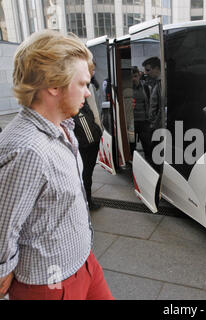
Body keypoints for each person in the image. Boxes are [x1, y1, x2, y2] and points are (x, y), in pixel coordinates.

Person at [0, 30, 114, 300]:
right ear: (53, 84)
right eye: (83, 84)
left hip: (84, 261)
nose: (88, 93)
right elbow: (3, 226)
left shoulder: (64, 125)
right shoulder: (28, 150)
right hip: (51, 283)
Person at [73, 95, 102, 211]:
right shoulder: (70, 110)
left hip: (92, 145)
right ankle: (86, 202)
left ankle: (88, 200)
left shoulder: (84, 105)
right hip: (83, 148)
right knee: (84, 176)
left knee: (88, 175)